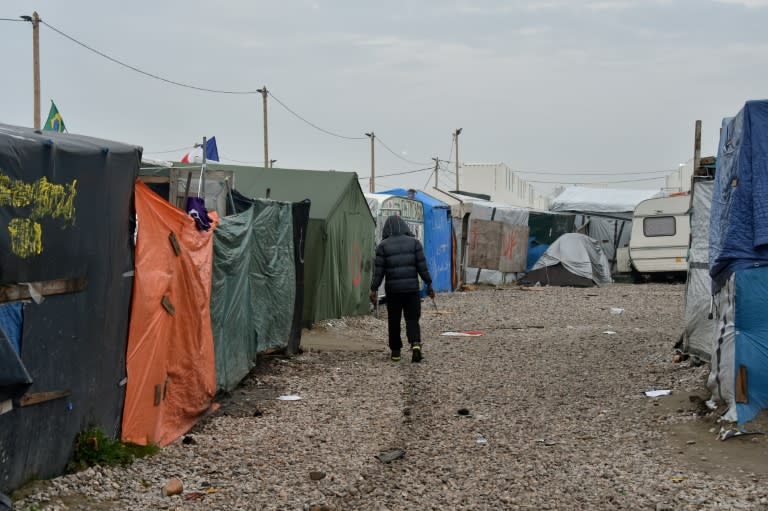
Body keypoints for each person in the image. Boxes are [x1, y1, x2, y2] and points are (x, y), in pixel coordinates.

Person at [370, 215, 434, 362]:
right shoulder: (415, 243)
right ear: (404, 227)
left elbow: (378, 272)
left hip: (393, 291)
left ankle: (396, 352)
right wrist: (429, 284)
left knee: (394, 320)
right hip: (411, 290)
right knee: (412, 318)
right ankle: (415, 344)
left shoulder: (383, 246)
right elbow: (422, 267)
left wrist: (373, 289)